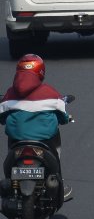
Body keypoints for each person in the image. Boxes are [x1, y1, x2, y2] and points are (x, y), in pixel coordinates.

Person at [0, 55, 71, 201]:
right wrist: (65, 119)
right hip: (45, 142)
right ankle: (60, 185)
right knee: (55, 157)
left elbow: (1, 118)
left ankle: (10, 184)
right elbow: (63, 117)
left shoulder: (9, 94)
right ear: (41, 72)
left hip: (17, 144)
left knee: (10, 153)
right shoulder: (50, 93)